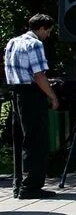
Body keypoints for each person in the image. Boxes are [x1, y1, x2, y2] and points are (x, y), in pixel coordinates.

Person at [4, 14, 59, 199]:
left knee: (20, 139)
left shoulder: (13, 42)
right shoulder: (35, 44)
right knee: (36, 140)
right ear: (41, 28)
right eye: (48, 31)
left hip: (16, 92)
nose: (48, 35)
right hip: (32, 94)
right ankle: (31, 186)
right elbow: (39, 75)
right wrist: (52, 95)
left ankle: (18, 184)